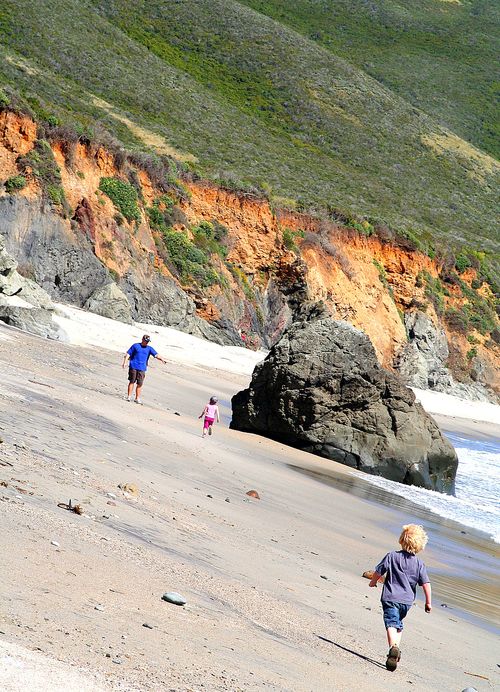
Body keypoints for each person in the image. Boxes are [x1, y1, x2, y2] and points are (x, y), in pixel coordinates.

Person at [369, 524, 432, 672]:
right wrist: (428, 602)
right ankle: (395, 652)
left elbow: (378, 572)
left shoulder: (391, 556)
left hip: (390, 597)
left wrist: (372, 582)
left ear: (402, 540)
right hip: (406, 602)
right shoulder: (419, 564)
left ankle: (393, 647)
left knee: (391, 623)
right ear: (420, 545)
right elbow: (426, 584)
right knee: (398, 624)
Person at [122, 334, 166, 404]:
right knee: (132, 381)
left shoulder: (149, 348)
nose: (147, 342)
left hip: (142, 368)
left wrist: (162, 359)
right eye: (146, 341)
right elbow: (128, 354)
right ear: (142, 339)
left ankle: (137, 398)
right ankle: (129, 396)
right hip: (133, 366)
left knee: (140, 384)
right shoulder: (135, 346)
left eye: (148, 341)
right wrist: (125, 362)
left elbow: (156, 355)